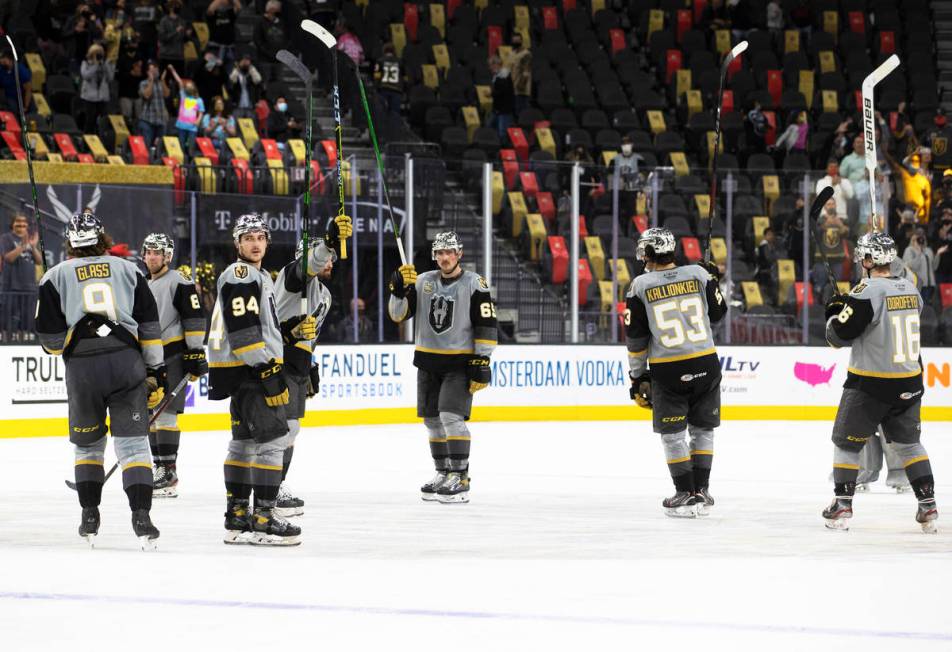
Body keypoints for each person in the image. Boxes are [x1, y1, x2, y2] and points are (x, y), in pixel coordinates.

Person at [35, 211, 165, 549]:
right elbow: (150, 328)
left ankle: (89, 514)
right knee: (134, 445)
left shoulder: (54, 276)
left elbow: (50, 342)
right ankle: (142, 517)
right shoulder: (128, 269)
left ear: (70, 243)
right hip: (126, 363)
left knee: (88, 445)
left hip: (83, 368)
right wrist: (155, 371)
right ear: (102, 238)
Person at [821, 232, 938, 533]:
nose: (861, 261)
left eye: (864, 257)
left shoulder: (865, 290)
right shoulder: (911, 289)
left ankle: (842, 504)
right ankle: (928, 505)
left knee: (845, 442)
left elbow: (838, 337)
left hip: (871, 383)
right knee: (910, 445)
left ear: (871, 260)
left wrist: (835, 312)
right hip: (910, 380)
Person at [207, 213, 300, 546]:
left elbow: (255, 322)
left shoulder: (256, 275)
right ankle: (263, 517)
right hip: (252, 370)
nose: (255, 243)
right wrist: (266, 368)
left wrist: (283, 334)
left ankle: (237, 515)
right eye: (248, 238)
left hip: (239, 371)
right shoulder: (243, 272)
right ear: (237, 243)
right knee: (272, 442)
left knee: (243, 443)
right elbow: (244, 329)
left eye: (260, 237)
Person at [388, 232, 498, 503]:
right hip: (428, 362)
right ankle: (443, 472)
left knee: (450, 417)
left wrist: (482, 359)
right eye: (439, 252)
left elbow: (486, 323)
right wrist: (398, 289)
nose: (444, 257)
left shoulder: (475, 283)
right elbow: (398, 314)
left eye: (449, 252)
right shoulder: (423, 280)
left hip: (459, 363)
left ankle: (460, 476)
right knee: (432, 421)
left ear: (459, 253)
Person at [624, 227, 727, 517]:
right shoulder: (698, 274)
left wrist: (637, 375)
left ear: (652, 252)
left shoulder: (640, 285)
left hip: (668, 369)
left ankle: (684, 492)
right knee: (703, 429)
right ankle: (702, 491)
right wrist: (712, 280)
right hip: (706, 362)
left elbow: (636, 339)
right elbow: (718, 313)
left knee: (673, 435)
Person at [272, 218, 350, 517]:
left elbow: (310, 335)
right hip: (279, 359)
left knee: (291, 430)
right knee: (280, 429)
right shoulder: (293, 279)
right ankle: (268, 486)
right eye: (324, 256)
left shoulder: (325, 295)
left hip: (297, 365)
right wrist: (327, 244)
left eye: (330, 257)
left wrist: (309, 362)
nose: (328, 261)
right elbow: (306, 267)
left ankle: (276, 484)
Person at [141, 233, 207, 498]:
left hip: (172, 355)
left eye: (158, 252)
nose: (152, 256)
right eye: (148, 252)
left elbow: (194, 317)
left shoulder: (179, 281)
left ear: (167, 256)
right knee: (152, 415)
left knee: (166, 414)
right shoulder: (144, 283)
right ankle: (160, 469)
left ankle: (168, 471)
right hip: (150, 357)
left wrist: (194, 352)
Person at [0, 214, 43, 336]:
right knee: (8, 313)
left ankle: (25, 335)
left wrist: (33, 247)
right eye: (18, 222)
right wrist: (23, 246)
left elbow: (39, 261)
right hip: (11, 284)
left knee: (28, 314)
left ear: (27, 226)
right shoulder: (6, 238)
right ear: (12, 224)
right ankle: (6, 336)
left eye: (24, 223)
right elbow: (8, 258)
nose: (21, 225)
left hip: (28, 284)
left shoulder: (30, 239)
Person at [167, 66, 205, 157]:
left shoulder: (198, 100)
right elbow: (179, 81)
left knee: (191, 147)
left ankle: (191, 162)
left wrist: (198, 120)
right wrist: (173, 70)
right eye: (187, 86)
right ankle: (182, 161)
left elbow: (201, 112)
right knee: (181, 146)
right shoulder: (183, 96)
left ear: (194, 88)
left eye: (190, 85)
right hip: (182, 125)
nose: (188, 86)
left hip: (192, 127)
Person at [79, 44, 115, 134]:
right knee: (90, 120)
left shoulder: (105, 63)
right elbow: (86, 76)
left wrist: (105, 64)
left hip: (102, 97)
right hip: (89, 97)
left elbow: (110, 78)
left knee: (103, 121)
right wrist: (95, 65)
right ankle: (88, 140)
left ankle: (101, 139)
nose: (99, 55)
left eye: (100, 53)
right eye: (97, 53)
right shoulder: (86, 63)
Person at [137, 61, 171, 148]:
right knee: (146, 146)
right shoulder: (143, 83)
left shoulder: (161, 83)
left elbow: (167, 94)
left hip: (161, 120)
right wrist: (151, 81)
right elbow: (147, 95)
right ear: (148, 72)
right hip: (147, 120)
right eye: (152, 71)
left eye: (156, 71)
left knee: (159, 147)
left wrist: (163, 80)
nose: (155, 73)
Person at [902, 227, 936, 305]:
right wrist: (919, 253)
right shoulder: (909, 250)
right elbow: (911, 266)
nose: (920, 240)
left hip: (930, 284)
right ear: (913, 239)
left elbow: (934, 267)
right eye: (917, 238)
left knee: (928, 306)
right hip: (918, 284)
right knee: (920, 306)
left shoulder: (928, 250)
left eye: (922, 237)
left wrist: (938, 254)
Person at [157, 0, 191, 76]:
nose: (177, 7)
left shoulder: (182, 21)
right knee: (164, 80)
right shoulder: (164, 21)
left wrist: (187, 35)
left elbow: (183, 40)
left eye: (178, 5)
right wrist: (175, 31)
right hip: (166, 56)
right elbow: (162, 38)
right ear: (170, 7)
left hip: (179, 57)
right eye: (175, 5)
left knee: (180, 81)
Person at [373, 42, 403, 126]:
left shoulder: (380, 61)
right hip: (397, 90)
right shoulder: (400, 61)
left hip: (384, 89)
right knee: (395, 113)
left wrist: (376, 88)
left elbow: (377, 76)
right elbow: (404, 76)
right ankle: (395, 132)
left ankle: (383, 132)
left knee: (382, 112)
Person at [206, 0, 241, 70]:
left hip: (229, 49)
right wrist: (219, 1)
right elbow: (210, 10)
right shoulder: (213, 15)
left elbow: (239, 7)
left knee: (229, 73)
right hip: (215, 48)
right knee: (210, 69)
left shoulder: (230, 13)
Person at [227, 53, 263, 119]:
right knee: (237, 123)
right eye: (244, 60)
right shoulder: (236, 71)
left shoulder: (252, 72)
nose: (245, 62)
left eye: (247, 60)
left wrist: (251, 68)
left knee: (250, 125)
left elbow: (258, 80)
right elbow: (231, 80)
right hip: (238, 103)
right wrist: (237, 68)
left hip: (250, 104)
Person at [488, 55, 515, 142]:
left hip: (504, 110)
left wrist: (491, 94)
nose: (490, 68)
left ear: (496, 65)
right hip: (497, 109)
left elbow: (502, 92)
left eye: (491, 65)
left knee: (502, 133)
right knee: (489, 127)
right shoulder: (498, 76)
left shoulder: (504, 76)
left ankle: (504, 151)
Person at [0, 49, 34, 115]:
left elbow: (28, 90)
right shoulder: (1, 69)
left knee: (31, 110)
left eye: (4, 61)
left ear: (11, 60)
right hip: (9, 96)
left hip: (23, 95)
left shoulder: (21, 71)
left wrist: (26, 106)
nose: (2, 63)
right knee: (12, 109)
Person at [253, 0, 287, 65]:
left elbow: (286, 38)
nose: (280, 11)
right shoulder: (260, 22)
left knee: (278, 75)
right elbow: (257, 40)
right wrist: (269, 53)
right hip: (265, 59)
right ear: (271, 10)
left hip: (279, 59)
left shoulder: (281, 22)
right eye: (278, 9)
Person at [509, 32, 532, 115]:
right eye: (514, 41)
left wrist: (521, 85)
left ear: (521, 41)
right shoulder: (511, 53)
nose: (515, 43)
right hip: (512, 89)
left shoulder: (526, 54)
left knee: (522, 114)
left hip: (521, 91)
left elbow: (526, 71)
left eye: (517, 41)